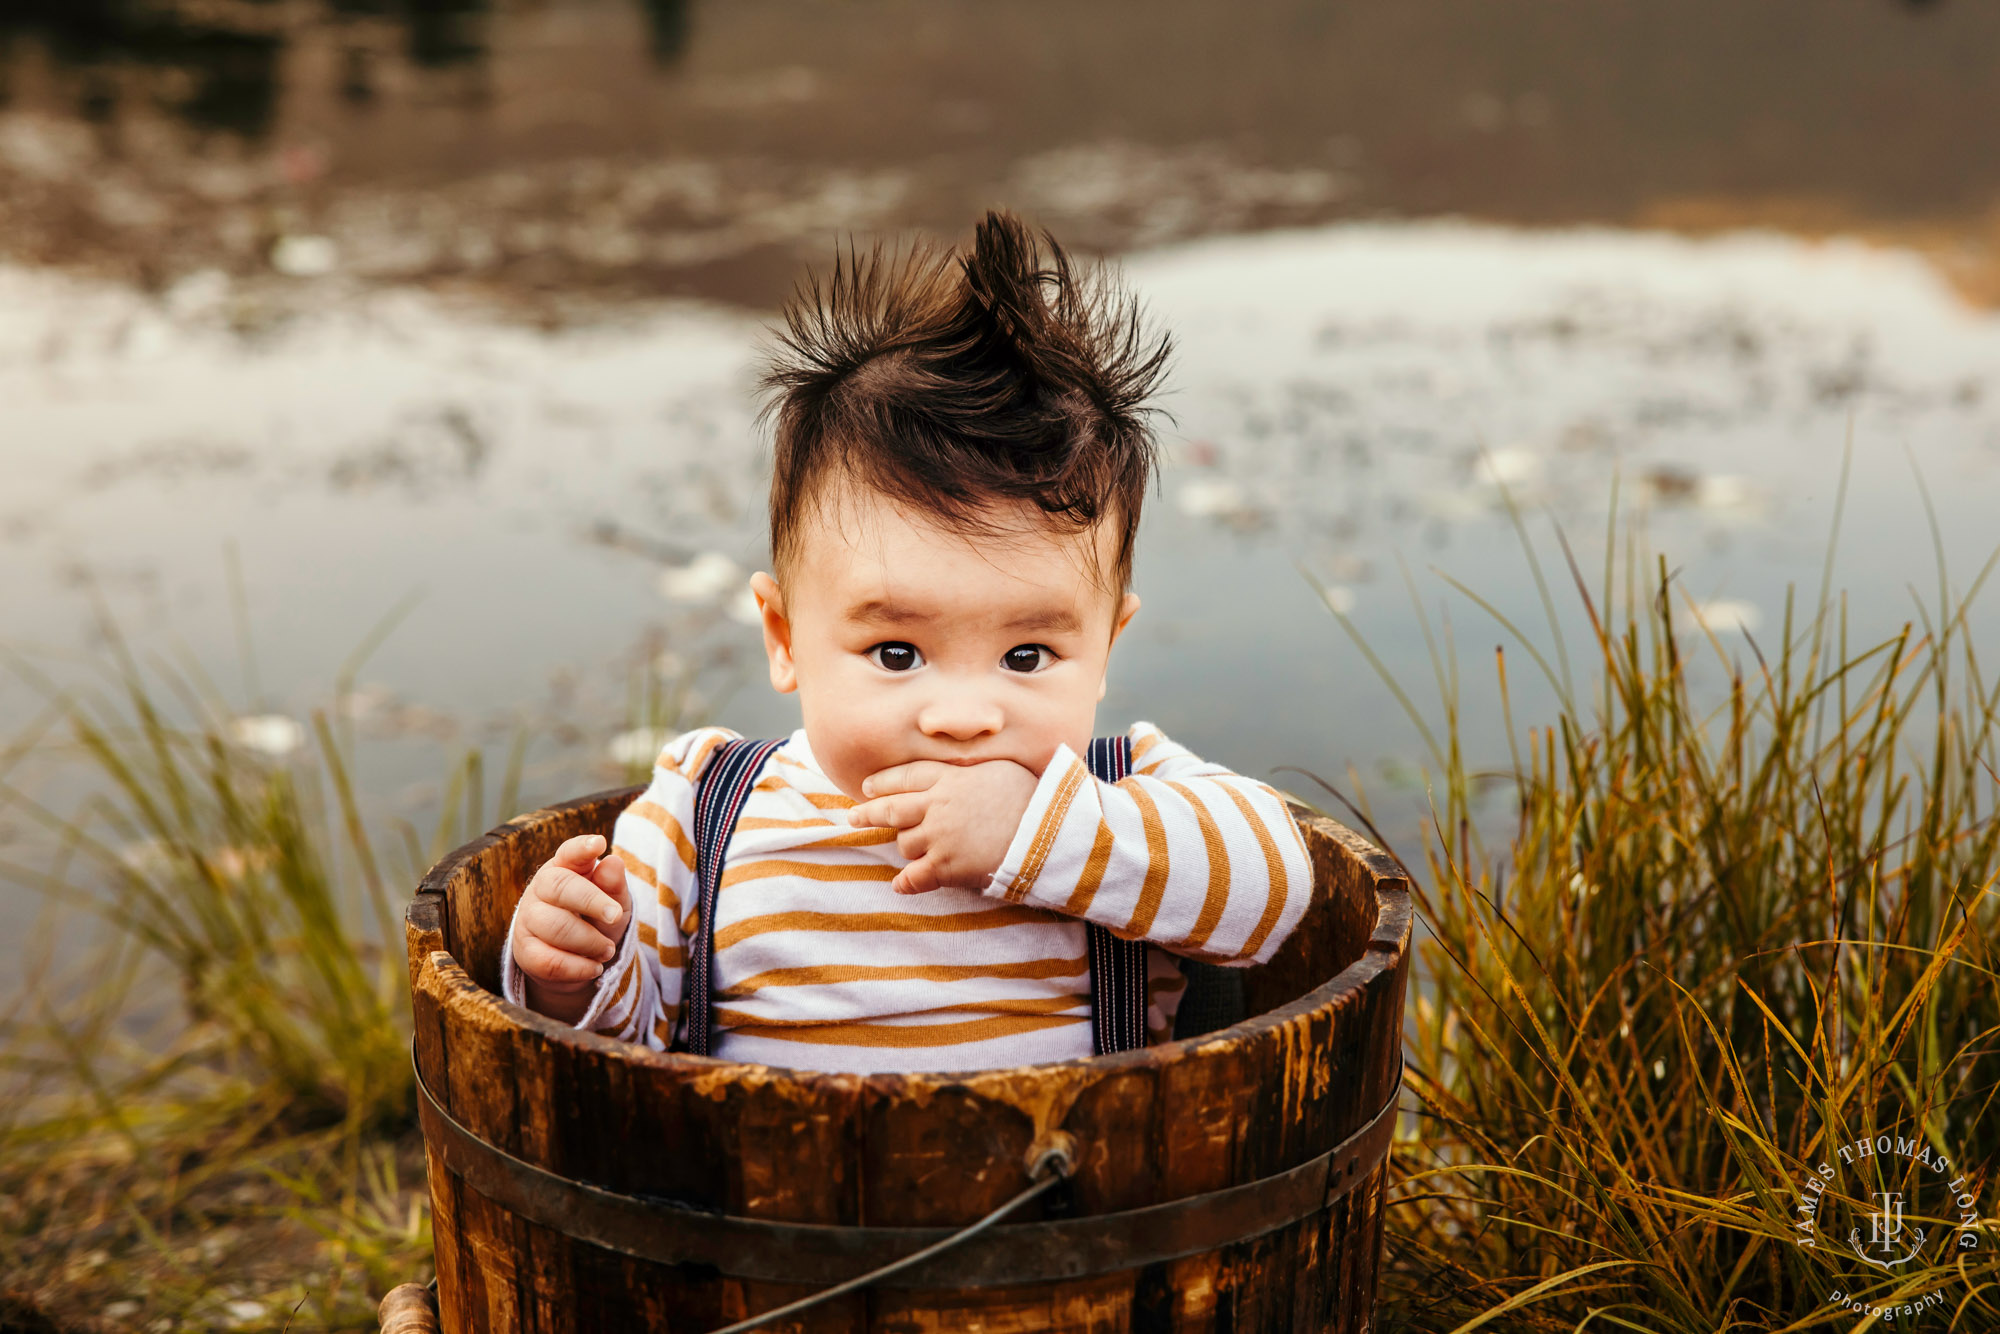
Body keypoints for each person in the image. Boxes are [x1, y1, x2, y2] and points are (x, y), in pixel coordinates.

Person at [501, 209, 1313, 1073]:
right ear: (784, 638)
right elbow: (629, 1047)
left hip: (1063, 1199)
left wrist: (1043, 837)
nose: (963, 717)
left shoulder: (1114, 794)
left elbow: (1279, 888)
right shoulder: (705, 812)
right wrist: (571, 972)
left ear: (1107, 648)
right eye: (896, 654)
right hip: (764, 1199)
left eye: (1026, 657)